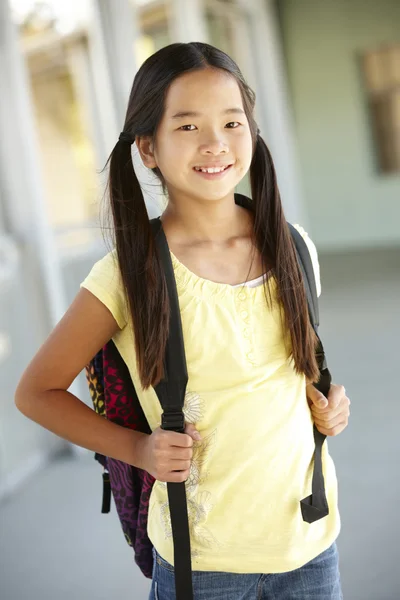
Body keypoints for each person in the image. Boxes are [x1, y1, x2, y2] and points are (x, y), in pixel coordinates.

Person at [15, 42, 350, 599]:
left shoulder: (295, 248)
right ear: (147, 148)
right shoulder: (130, 272)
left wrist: (328, 402)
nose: (215, 143)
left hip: (312, 541)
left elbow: (303, 370)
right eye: (188, 126)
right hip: (201, 560)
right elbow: (36, 392)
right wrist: (139, 450)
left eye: (231, 122)